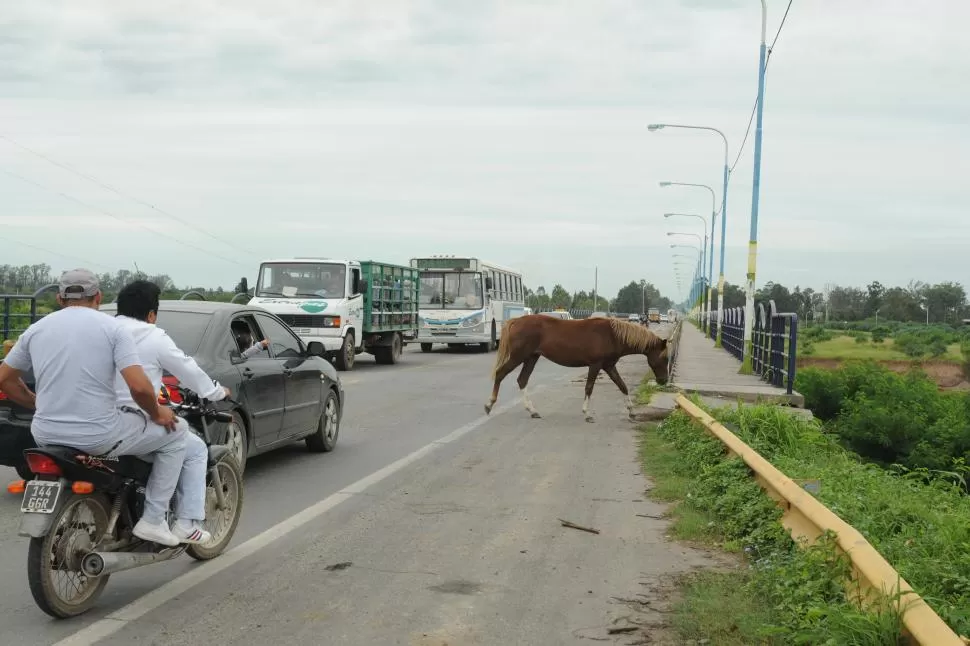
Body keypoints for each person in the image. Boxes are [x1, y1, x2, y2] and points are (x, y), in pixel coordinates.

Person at [0, 269, 185, 547]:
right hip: (98, 435)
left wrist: (38, 403)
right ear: (98, 297)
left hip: (45, 434)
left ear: (60, 298)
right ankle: (154, 519)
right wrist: (158, 414)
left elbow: (5, 379)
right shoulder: (113, 329)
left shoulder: (36, 330)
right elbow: (140, 388)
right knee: (177, 435)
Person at [113, 280, 230, 545]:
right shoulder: (153, 336)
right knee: (191, 445)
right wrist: (216, 392)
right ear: (151, 314)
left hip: (93, 420)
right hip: (133, 422)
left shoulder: (103, 331)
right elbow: (188, 370)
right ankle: (178, 522)